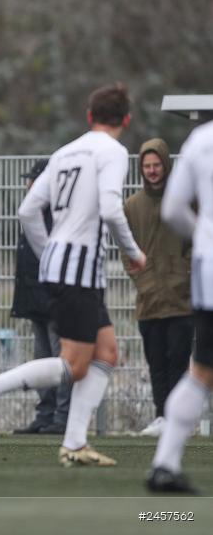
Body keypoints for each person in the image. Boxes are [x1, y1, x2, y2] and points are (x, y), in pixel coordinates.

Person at [0, 84, 147, 467]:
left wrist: (51, 252)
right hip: (78, 269)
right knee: (75, 363)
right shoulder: (112, 151)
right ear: (126, 120)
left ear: (89, 115)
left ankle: (75, 443)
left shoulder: (64, 152)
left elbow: (28, 210)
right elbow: (111, 209)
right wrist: (134, 253)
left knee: (107, 353)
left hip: (64, 266)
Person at [146, 121, 213, 494]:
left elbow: (172, 209)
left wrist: (205, 237)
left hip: (208, 265)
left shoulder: (201, 139)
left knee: (203, 368)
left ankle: (165, 464)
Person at [123, 139, 193, 437]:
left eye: (157, 165)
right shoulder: (131, 206)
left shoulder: (186, 201)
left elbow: (196, 240)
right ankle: (162, 416)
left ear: (166, 164)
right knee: (156, 363)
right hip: (149, 300)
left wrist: (184, 275)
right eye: (147, 166)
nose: (152, 171)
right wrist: (146, 282)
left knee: (179, 361)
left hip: (181, 300)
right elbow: (128, 252)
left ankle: (180, 420)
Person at [11, 160, 71, 435]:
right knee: (42, 359)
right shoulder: (38, 212)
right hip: (36, 298)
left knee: (60, 360)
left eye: (32, 180)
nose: (28, 185)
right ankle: (46, 414)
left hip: (54, 298)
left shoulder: (58, 214)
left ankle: (62, 416)